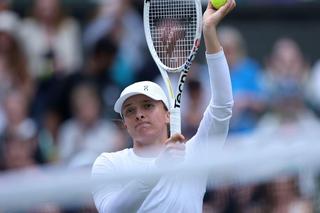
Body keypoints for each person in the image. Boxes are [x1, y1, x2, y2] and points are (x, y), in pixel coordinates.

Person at [91, 0, 236, 212]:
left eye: (148, 106)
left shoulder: (195, 155)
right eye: (130, 111)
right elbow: (112, 210)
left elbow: (222, 106)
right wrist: (159, 167)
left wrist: (209, 31)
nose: (139, 114)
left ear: (168, 114)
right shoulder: (109, 164)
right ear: (124, 124)